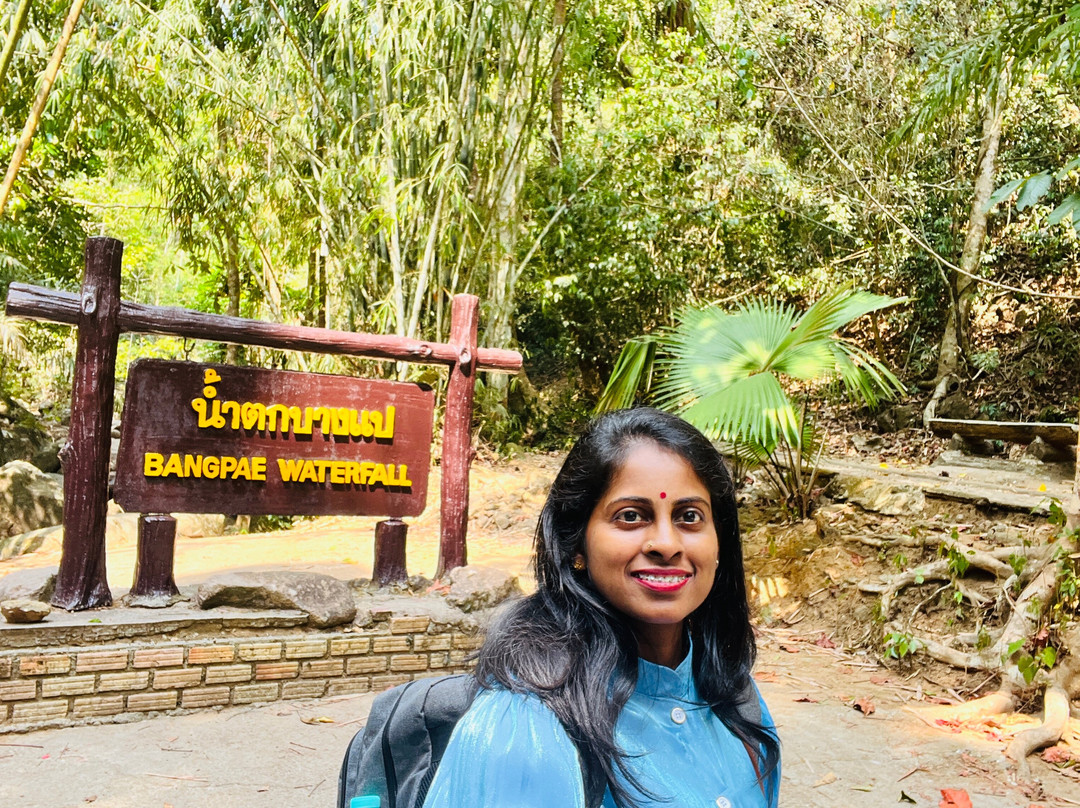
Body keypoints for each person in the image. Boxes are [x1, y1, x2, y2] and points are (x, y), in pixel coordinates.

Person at [423, 408, 781, 808]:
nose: (666, 543)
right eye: (631, 516)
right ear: (576, 543)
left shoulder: (732, 693)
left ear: (720, 543)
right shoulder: (526, 727)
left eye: (689, 516)